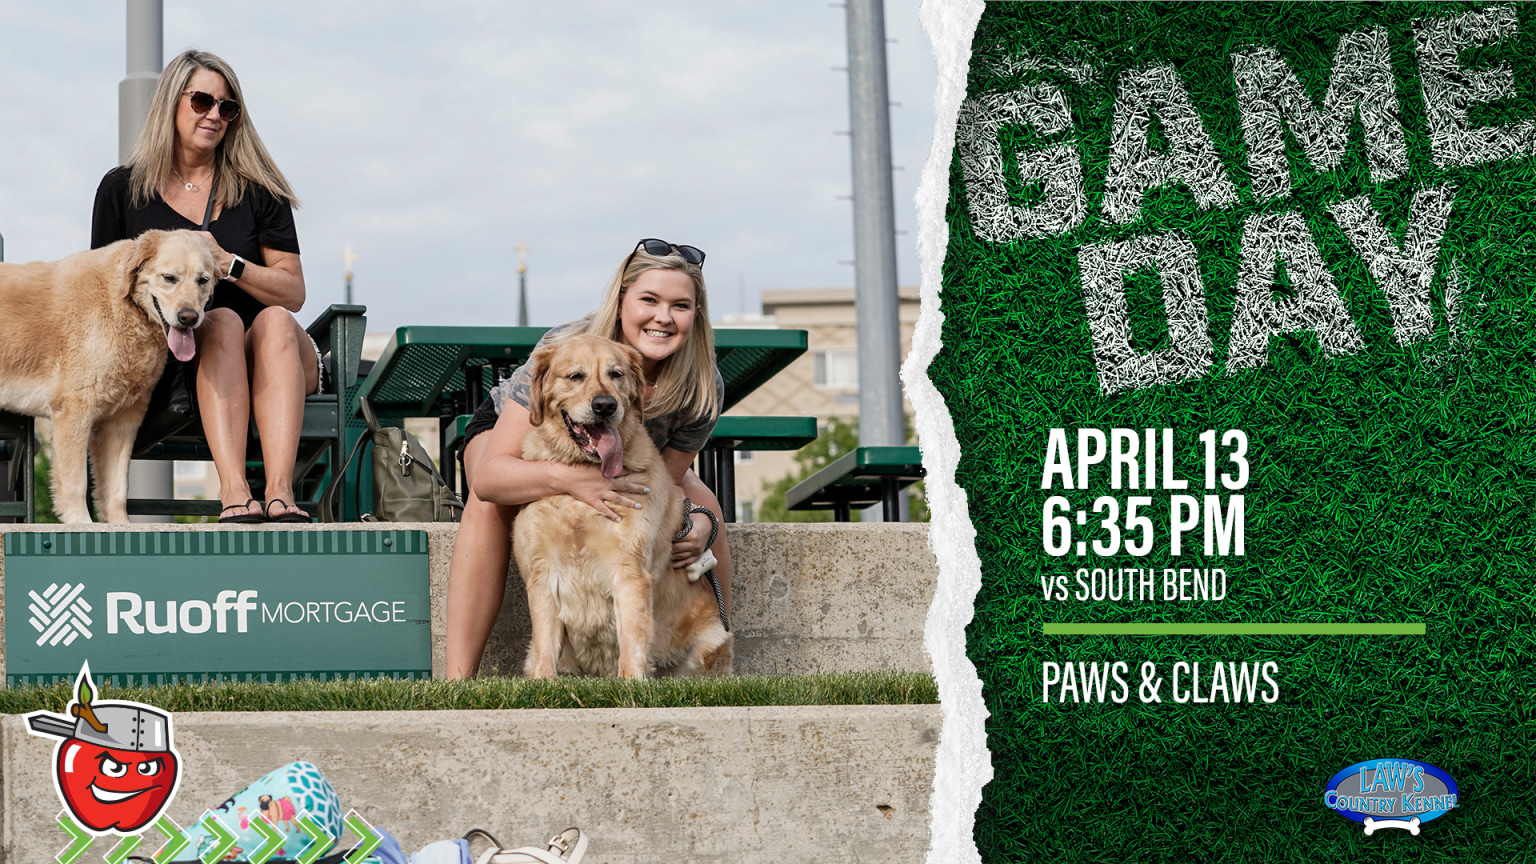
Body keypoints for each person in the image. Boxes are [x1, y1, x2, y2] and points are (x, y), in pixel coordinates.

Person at [445, 239, 731, 679]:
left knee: (710, 512)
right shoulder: (565, 345)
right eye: (649, 300)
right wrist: (570, 480)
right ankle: (456, 680)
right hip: (530, 435)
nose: (663, 317)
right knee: (489, 504)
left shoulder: (700, 382)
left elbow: (666, 482)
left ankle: (715, 657)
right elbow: (490, 476)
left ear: (697, 314)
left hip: (627, 448)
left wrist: (699, 522)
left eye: (680, 305)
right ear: (621, 302)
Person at [91, 49, 316, 523]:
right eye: (201, 102)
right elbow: (105, 289)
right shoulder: (123, 189)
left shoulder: (259, 191)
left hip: (272, 353)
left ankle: (279, 492)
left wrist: (229, 263)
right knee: (223, 321)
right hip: (181, 354)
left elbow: (293, 293)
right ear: (172, 102)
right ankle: (234, 491)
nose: (214, 114)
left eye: (227, 107)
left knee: (272, 320)